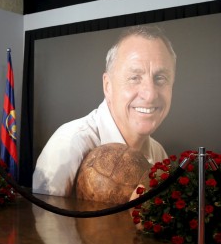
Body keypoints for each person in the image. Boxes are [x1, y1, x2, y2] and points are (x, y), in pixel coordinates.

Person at [32, 25, 176, 197]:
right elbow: (44, 222)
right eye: (134, 78)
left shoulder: (159, 153)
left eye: (161, 78)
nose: (150, 94)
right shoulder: (69, 145)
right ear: (108, 86)